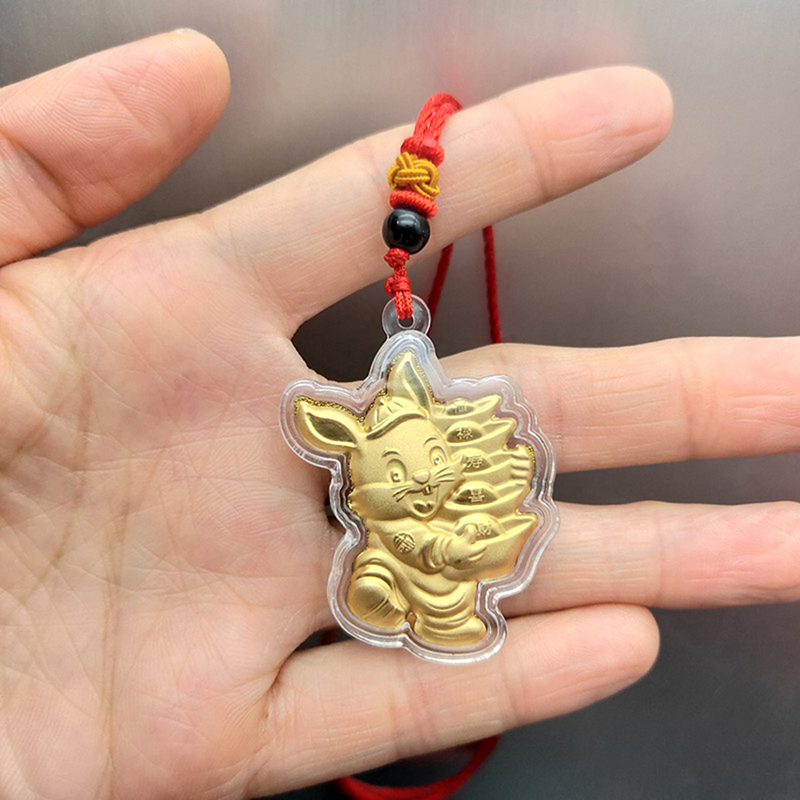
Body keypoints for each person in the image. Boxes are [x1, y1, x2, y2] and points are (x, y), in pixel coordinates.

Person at [0, 29, 797, 800]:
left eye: (427, 465)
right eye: (399, 474)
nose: (419, 484)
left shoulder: (473, 477)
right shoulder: (374, 526)